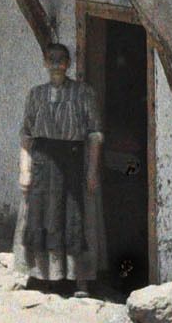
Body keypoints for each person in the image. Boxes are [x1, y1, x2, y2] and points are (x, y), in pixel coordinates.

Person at [14, 41, 105, 293]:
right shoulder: (35, 94)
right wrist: (25, 169)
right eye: (51, 60)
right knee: (40, 218)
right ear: (45, 63)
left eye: (61, 60)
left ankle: (80, 279)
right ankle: (41, 276)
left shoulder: (84, 93)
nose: (56, 65)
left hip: (74, 163)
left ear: (68, 64)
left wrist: (92, 171)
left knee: (76, 220)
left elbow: (95, 134)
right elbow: (26, 135)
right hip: (42, 164)